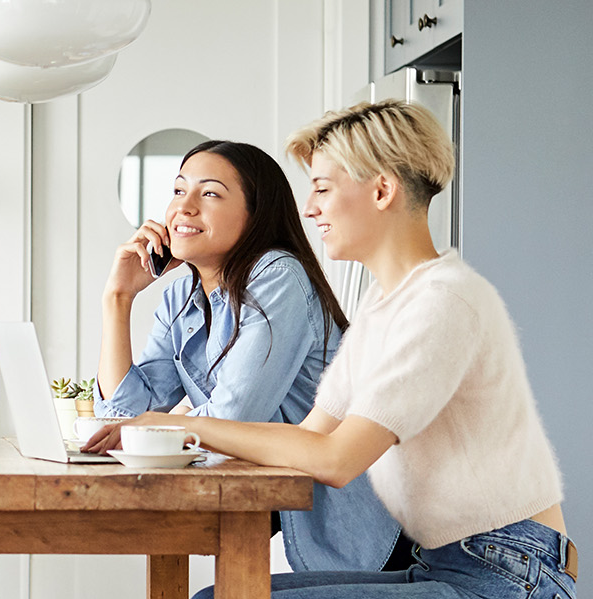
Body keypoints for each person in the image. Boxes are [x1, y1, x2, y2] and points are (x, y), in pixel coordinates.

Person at [89, 100, 578, 599]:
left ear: (381, 191)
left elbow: (336, 459)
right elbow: (307, 436)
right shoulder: (381, 315)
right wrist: (157, 402)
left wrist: (172, 422)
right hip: (442, 574)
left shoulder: (442, 302)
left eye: (321, 187)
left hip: (507, 590)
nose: (307, 206)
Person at [90, 139, 402, 573]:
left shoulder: (277, 276)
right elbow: (123, 415)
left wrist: (155, 427)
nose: (185, 207)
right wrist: (118, 298)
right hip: (314, 524)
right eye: (179, 190)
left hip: (379, 529)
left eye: (211, 193)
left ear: (256, 215)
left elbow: (234, 417)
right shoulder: (181, 294)